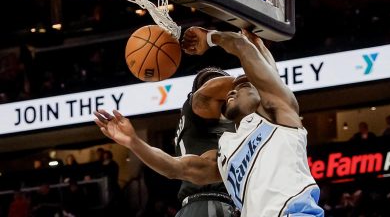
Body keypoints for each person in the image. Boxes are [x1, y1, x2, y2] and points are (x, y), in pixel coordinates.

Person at [94, 28, 323, 217]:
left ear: (261, 95)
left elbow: (247, 52)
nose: (231, 92)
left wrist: (211, 38)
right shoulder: (227, 151)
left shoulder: (279, 115)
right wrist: (133, 142)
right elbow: (177, 168)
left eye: (241, 86)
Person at [173, 67, 238, 216]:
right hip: (211, 202)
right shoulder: (196, 105)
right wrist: (253, 83)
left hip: (195, 206)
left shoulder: (198, 124)